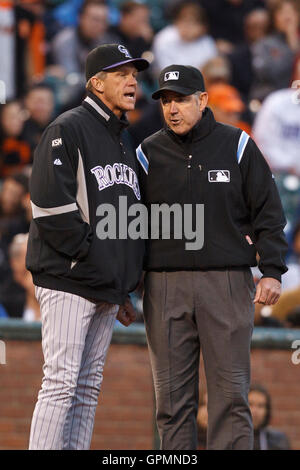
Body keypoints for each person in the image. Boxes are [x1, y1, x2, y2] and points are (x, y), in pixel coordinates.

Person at [137, 64, 288, 450]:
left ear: (202, 100)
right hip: (163, 283)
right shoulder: (146, 152)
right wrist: (127, 283)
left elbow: (268, 211)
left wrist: (271, 270)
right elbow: (130, 224)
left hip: (226, 280)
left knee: (230, 398)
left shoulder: (237, 144)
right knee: (171, 403)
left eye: (182, 100)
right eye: (166, 101)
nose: (173, 109)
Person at [26, 43, 149, 450]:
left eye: (134, 74)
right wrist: (93, 257)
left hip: (103, 283)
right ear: (96, 83)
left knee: (88, 387)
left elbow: (129, 219)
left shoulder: (125, 140)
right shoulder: (68, 127)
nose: (132, 81)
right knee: (61, 382)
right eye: (121, 74)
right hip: (68, 276)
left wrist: (123, 282)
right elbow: (49, 206)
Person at [249, 384, 291, 450]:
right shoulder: (232, 439)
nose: (255, 411)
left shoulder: (279, 440)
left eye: (260, 406)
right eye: (250, 404)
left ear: (267, 410)